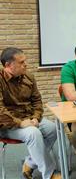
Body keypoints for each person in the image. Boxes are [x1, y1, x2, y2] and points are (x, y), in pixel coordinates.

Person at [0, 47, 60, 179]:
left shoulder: (29, 77)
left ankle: (30, 162)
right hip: (7, 125)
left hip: (28, 119)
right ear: (8, 65)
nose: (25, 64)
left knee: (53, 129)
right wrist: (21, 123)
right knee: (33, 133)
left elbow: (37, 101)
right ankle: (49, 174)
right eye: (21, 62)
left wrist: (36, 118)